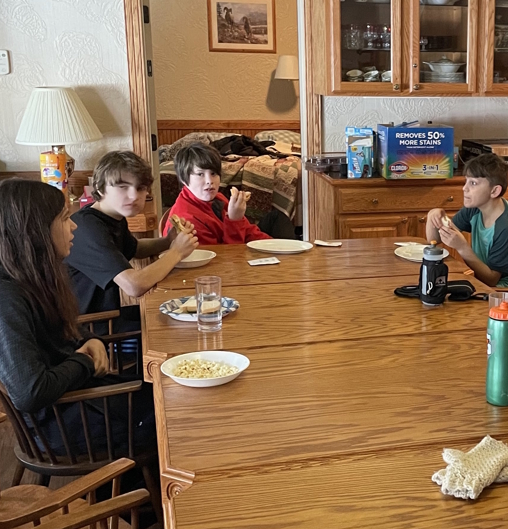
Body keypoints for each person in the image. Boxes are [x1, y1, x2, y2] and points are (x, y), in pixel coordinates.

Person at [0, 179, 155, 456]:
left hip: (78, 396)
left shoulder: (31, 278)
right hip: (61, 422)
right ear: (34, 232)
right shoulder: (7, 297)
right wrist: (85, 360)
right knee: (174, 410)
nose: (73, 226)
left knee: (167, 390)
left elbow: (60, 335)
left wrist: (90, 341)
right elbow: (30, 393)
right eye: (63, 219)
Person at [65, 151, 199, 328]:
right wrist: (176, 253)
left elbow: (136, 249)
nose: (134, 196)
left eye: (140, 188)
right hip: (86, 328)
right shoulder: (88, 228)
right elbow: (134, 286)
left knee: (184, 312)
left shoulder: (112, 216)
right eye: (122, 186)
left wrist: (168, 240)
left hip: (105, 318)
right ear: (99, 187)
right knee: (181, 326)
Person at [425, 153, 508, 288]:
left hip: (507, 293)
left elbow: (491, 280)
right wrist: (432, 216)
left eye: (473, 183)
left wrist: (462, 247)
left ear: (494, 191)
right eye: (466, 181)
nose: (464, 188)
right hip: (482, 283)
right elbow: (434, 240)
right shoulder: (475, 209)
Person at [164, 143, 294, 244]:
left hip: (235, 251)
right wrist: (234, 220)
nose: (209, 181)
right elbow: (225, 260)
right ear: (183, 179)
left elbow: (247, 230)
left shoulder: (218, 198)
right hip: (220, 265)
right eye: (200, 174)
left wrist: (275, 246)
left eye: (213, 173)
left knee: (277, 217)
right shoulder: (187, 221)